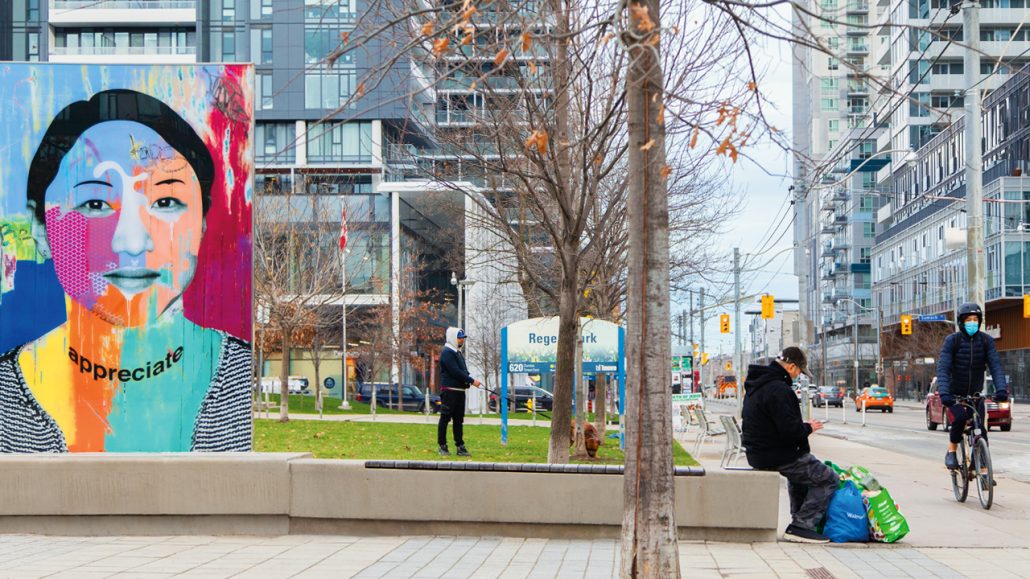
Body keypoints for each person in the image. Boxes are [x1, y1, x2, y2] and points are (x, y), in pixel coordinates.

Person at [0, 89, 251, 453]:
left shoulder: (238, 382)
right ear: (41, 229)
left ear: (202, 223)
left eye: (165, 202)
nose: (133, 242)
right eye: (96, 203)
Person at [742, 346, 838, 544]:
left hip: (760, 452)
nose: (798, 377)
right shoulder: (779, 389)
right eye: (799, 372)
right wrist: (808, 428)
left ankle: (799, 524)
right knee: (828, 478)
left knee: (802, 474)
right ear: (791, 367)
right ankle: (802, 525)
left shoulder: (759, 384)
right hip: (778, 454)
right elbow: (790, 432)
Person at [936, 303, 1008, 470]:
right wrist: (945, 394)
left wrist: (1001, 389)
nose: (972, 323)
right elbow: (943, 368)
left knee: (980, 430)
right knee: (960, 419)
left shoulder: (986, 341)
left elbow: (995, 366)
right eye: (968, 320)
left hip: (975, 394)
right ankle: (952, 450)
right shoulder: (952, 341)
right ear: (961, 322)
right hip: (955, 395)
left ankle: (983, 471)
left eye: (975, 319)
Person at [438, 327, 480, 456]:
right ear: (452, 338)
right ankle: (442, 445)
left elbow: (463, 370)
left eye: (462, 338)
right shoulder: (447, 352)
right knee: (445, 418)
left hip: (460, 391)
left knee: (458, 420)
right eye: (459, 337)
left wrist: (467, 380)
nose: (462, 340)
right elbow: (455, 371)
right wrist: (471, 380)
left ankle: (460, 446)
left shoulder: (458, 353)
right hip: (449, 391)